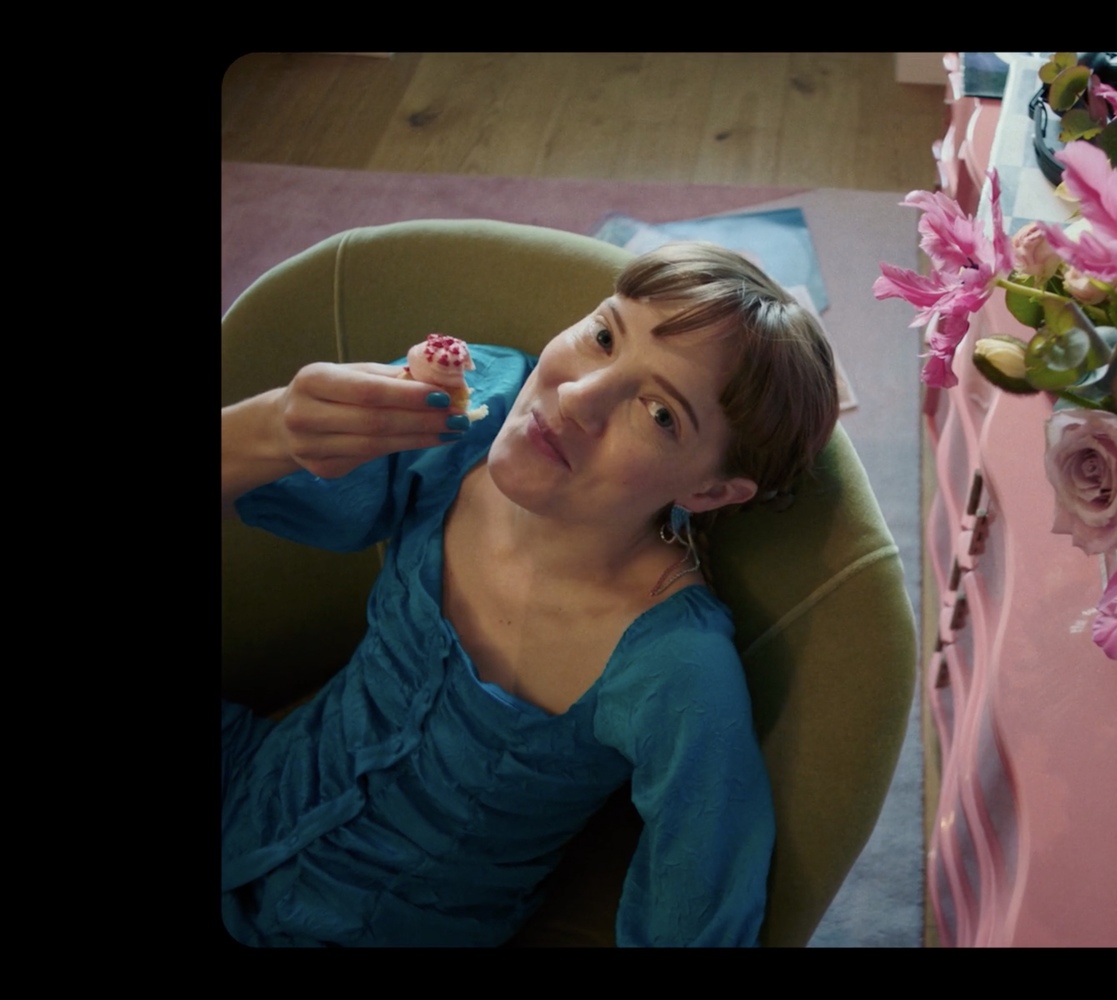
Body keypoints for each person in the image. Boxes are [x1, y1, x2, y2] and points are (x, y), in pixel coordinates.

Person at [220, 242, 840, 947]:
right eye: (605, 336)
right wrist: (273, 425)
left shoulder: (674, 669)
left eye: (660, 413)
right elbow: (268, 484)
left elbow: (698, 914)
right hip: (253, 780)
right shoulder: (465, 415)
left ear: (708, 491)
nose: (577, 396)